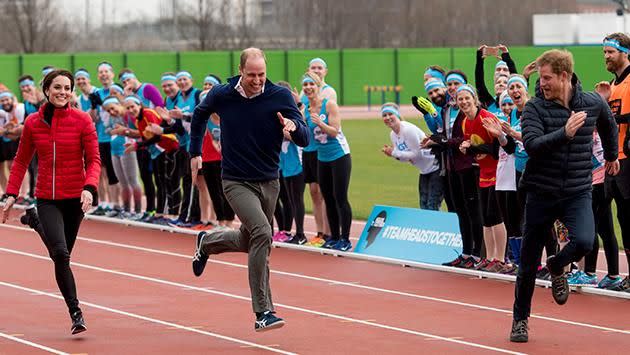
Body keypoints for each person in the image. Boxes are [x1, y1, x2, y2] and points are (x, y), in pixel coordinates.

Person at [189, 48, 309, 331]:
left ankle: (207, 243)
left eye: (262, 75)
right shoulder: (222, 93)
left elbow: (303, 135)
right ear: (240, 71)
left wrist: (294, 128)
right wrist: (195, 151)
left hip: (269, 180)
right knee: (263, 234)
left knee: (251, 239)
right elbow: (199, 114)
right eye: (252, 75)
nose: (257, 81)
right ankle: (263, 311)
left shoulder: (279, 95)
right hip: (235, 180)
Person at [510, 49, 619, 343]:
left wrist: (611, 155)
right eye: (541, 78)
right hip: (540, 192)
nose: (541, 83)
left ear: (564, 76)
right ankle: (520, 319)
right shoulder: (534, 108)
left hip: (576, 190)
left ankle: (557, 265)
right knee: (529, 262)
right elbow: (532, 144)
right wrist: (565, 133)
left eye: (547, 78)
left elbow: (609, 123)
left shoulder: (592, 103)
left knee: (584, 240)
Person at [2, 69, 101, 335]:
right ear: (47, 90)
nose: (63, 92)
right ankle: (76, 312)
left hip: (75, 199)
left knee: (62, 256)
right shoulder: (34, 122)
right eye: (57, 87)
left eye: (67, 88)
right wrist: (11, 194)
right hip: (47, 197)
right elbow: (21, 160)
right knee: (60, 253)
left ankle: (34, 222)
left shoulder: (82, 120)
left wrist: (90, 188)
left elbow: (93, 160)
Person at [458, 85, 510, 273]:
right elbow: (475, 147)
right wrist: (467, 148)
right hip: (483, 173)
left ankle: (501, 258)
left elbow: (496, 150)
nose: (464, 102)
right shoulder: (465, 122)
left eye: (467, 98)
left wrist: (472, 149)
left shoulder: (486, 118)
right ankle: (489, 258)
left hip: (498, 171)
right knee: (486, 218)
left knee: (496, 216)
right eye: (460, 99)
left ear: (474, 99)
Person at [302, 71, 353, 251]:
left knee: (340, 197)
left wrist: (320, 123)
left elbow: (334, 131)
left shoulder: (329, 105)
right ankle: (334, 237)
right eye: (305, 85)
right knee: (328, 199)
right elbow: (305, 136)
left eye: (311, 84)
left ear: (318, 87)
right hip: (321, 157)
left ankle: (346, 239)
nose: (308, 88)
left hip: (339, 155)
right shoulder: (305, 110)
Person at [596, 32, 630, 291]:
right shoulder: (612, 85)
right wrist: (603, 104)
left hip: (628, 159)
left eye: (611, 52)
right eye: (604, 52)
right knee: (624, 220)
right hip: (613, 160)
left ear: (625, 52)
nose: (606, 56)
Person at [381, 103, 442, 210]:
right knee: (423, 205)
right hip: (424, 171)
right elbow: (406, 158)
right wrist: (393, 154)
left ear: (397, 114)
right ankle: (426, 227)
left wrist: (394, 153)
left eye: (390, 114)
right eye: (384, 115)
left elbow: (416, 153)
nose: (387, 118)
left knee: (432, 205)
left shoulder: (408, 130)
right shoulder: (393, 134)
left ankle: (440, 226)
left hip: (436, 168)